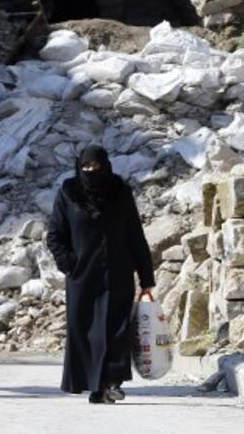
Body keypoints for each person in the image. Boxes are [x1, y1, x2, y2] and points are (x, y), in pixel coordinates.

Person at [46, 144, 155, 404]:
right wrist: (69, 263)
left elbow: (135, 236)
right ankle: (95, 385)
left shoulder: (120, 193)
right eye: (86, 167)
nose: (91, 171)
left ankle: (111, 383)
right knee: (85, 331)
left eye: (96, 167)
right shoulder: (68, 194)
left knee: (115, 330)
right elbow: (55, 235)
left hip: (117, 273)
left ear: (106, 166)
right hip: (82, 276)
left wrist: (146, 278)